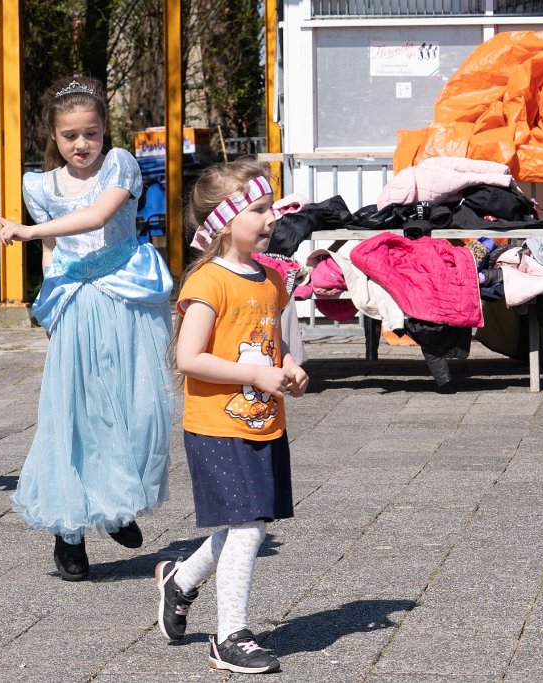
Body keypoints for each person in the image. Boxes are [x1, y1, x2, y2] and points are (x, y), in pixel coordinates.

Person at [0, 76, 173, 582]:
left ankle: (117, 505)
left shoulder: (121, 165)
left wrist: (26, 231)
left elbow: (97, 218)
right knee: (74, 413)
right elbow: (55, 254)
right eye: (70, 135)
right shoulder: (41, 186)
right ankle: (68, 532)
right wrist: (50, 304)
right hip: (76, 302)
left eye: (90, 133)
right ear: (54, 134)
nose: (81, 145)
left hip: (127, 297)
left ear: (104, 130)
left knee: (136, 407)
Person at [154, 160, 307, 674]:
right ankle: (230, 637)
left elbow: (274, 344)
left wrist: (287, 368)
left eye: (270, 209)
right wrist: (256, 374)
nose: (271, 220)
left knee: (250, 520)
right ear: (223, 220)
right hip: (217, 425)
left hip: (263, 420)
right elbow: (188, 357)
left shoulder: (269, 280)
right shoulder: (207, 282)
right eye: (259, 210)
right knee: (248, 529)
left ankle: (180, 580)